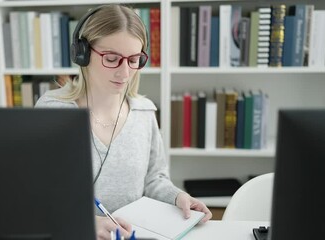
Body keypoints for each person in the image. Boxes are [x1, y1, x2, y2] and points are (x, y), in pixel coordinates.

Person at [35, 4, 212, 240]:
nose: (125, 73)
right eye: (111, 59)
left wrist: (178, 197)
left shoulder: (144, 112)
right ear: (82, 53)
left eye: (134, 60)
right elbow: (39, 193)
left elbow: (154, 179)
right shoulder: (52, 111)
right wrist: (90, 222)